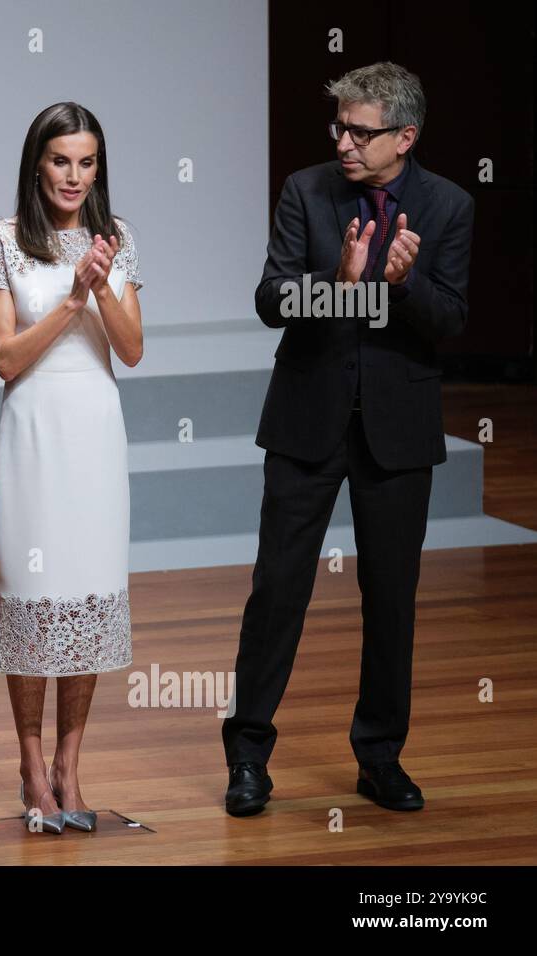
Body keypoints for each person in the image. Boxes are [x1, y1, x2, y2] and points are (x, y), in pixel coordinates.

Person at [222, 62, 474, 816]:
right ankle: (247, 758)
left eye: (361, 133)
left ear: (406, 136)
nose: (344, 144)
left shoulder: (449, 205)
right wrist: (335, 278)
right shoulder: (307, 190)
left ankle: (380, 757)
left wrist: (402, 286)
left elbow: (452, 320)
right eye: (339, 127)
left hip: (398, 430)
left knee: (391, 598)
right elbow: (271, 301)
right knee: (277, 592)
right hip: (307, 420)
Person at [0, 103, 143, 834]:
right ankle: (30, 761)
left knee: (88, 597)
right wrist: (72, 299)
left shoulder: (116, 240)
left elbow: (130, 350)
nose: (74, 175)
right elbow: (5, 359)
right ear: (38, 162)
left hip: (96, 436)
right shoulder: (0, 242)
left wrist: (100, 284)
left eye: (87, 162)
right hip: (34, 436)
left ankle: (70, 763)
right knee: (34, 598)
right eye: (61, 160)